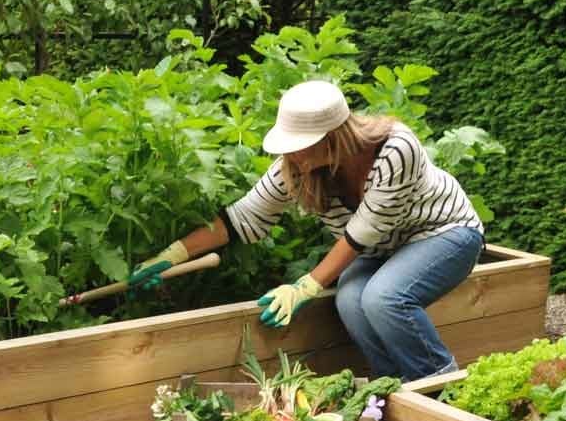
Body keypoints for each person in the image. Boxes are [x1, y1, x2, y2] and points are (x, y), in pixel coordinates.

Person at [126, 79, 486, 380]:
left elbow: (365, 231)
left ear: (334, 135)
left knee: (383, 299)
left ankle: (440, 384)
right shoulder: (301, 167)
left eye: (299, 145)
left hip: (444, 233)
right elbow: (241, 218)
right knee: (350, 300)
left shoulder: (396, 148)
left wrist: (306, 286)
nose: (293, 155)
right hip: (383, 252)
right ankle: (393, 386)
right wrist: (171, 255)